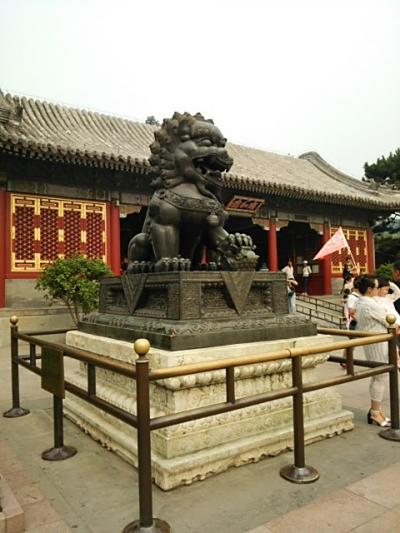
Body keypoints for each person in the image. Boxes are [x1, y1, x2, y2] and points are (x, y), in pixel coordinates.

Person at [356, 275, 391, 427]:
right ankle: (375, 412)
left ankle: (375, 410)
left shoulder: (362, 302)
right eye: (377, 287)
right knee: (381, 376)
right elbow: (389, 320)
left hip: (373, 341)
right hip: (378, 343)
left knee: (377, 376)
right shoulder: (371, 305)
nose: (379, 290)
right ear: (370, 289)